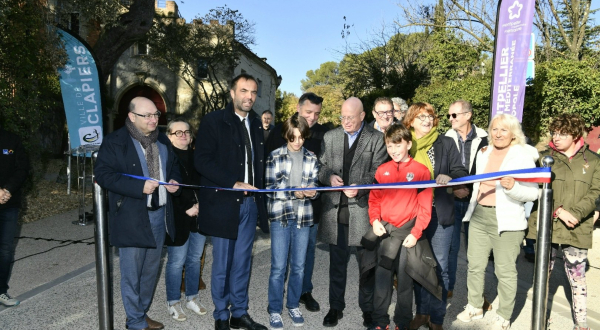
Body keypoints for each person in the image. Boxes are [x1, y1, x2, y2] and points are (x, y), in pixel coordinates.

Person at [95, 96, 181, 330]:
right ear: (132, 117)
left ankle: (140, 314)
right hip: (132, 215)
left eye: (156, 115)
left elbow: (174, 167)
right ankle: (134, 321)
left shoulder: (162, 140)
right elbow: (103, 175)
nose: (154, 119)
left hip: (159, 215)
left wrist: (174, 182)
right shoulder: (115, 141)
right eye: (148, 115)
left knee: (150, 272)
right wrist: (137, 187)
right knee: (132, 274)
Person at [195, 73, 268, 330]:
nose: (249, 96)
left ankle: (239, 313)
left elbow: (259, 164)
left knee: (242, 263)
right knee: (223, 264)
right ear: (232, 92)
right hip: (223, 203)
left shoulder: (257, 124)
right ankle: (221, 316)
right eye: (244, 91)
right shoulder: (214, 121)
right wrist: (233, 182)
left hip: (249, 204)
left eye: (254, 92)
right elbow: (201, 160)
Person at [455, 114, 539, 330]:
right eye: (494, 129)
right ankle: (474, 306)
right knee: (474, 266)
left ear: (513, 134)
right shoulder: (484, 153)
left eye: (504, 130)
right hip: (479, 215)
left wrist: (513, 188)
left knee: (505, 271)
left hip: (507, 220)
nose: (498, 134)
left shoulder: (522, 155)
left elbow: (533, 193)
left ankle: (504, 316)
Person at [318, 97, 388, 328]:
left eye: (350, 117)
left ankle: (367, 310)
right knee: (336, 265)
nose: (346, 121)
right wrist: (328, 176)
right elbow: (321, 166)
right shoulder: (330, 137)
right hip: (335, 212)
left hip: (364, 213)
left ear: (362, 116)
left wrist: (360, 187)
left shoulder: (377, 139)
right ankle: (335, 307)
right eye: (342, 117)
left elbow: (379, 172)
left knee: (366, 267)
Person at [527, 113, 600, 330]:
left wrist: (576, 213)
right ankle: (541, 319)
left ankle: (581, 324)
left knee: (577, 280)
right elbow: (535, 189)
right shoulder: (543, 158)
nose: (556, 137)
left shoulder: (594, 161)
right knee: (542, 276)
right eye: (554, 133)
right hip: (546, 225)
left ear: (576, 135)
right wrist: (558, 210)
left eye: (562, 133)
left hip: (577, 226)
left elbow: (595, 192)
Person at [403, 102, 468, 330]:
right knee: (420, 266)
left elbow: (461, 171)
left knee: (440, 266)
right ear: (410, 120)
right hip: (412, 215)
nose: (427, 121)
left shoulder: (446, 143)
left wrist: (449, 176)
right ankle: (421, 313)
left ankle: (437, 318)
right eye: (421, 117)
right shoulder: (405, 143)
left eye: (430, 116)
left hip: (439, 213)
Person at [266, 92, 329, 312]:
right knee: (279, 264)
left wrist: (314, 191)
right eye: (308, 112)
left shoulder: (322, 135)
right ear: (298, 107)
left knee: (305, 256)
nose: (312, 118)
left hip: (308, 210)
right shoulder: (277, 135)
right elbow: (270, 180)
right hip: (282, 211)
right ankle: (276, 303)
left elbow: (321, 173)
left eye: (317, 114)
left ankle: (303, 292)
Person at [366, 123, 433, 330]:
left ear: (409, 144)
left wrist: (416, 232)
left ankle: (402, 323)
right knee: (382, 279)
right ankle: (380, 321)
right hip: (385, 232)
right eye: (389, 146)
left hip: (407, 235)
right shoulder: (382, 170)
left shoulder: (421, 171)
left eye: (398, 145)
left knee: (405, 282)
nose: (394, 150)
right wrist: (375, 220)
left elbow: (424, 207)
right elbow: (374, 200)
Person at [443, 100, 488, 300]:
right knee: (450, 248)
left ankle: (476, 295)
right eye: (449, 115)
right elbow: (442, 169)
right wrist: (454, 189)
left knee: (476, 251)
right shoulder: (445, 138)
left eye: (454, 115)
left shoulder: (486, 139)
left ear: (468, 115)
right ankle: (448, 287)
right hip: (452, 200)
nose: (450, 119)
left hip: (477, 202)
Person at [164, 119, 207, 321]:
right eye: (177, 132)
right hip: (178, 216)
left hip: (199, 216)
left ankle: (191, 298)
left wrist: (200, 206)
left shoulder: (199, 158)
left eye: (186, 132)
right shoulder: (165, 158)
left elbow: (205, 184)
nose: (183, 135)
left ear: (191, 136)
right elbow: (167, 192)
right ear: (169, 136)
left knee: (194, 260)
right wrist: (186, 208)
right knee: (176, 262)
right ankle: (173, 303)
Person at [0, 126, 29, 307]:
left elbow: (23, 169)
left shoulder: (12, 139)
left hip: (9, 204)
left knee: (5, 250)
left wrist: (7, 190)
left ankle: (1, 291)